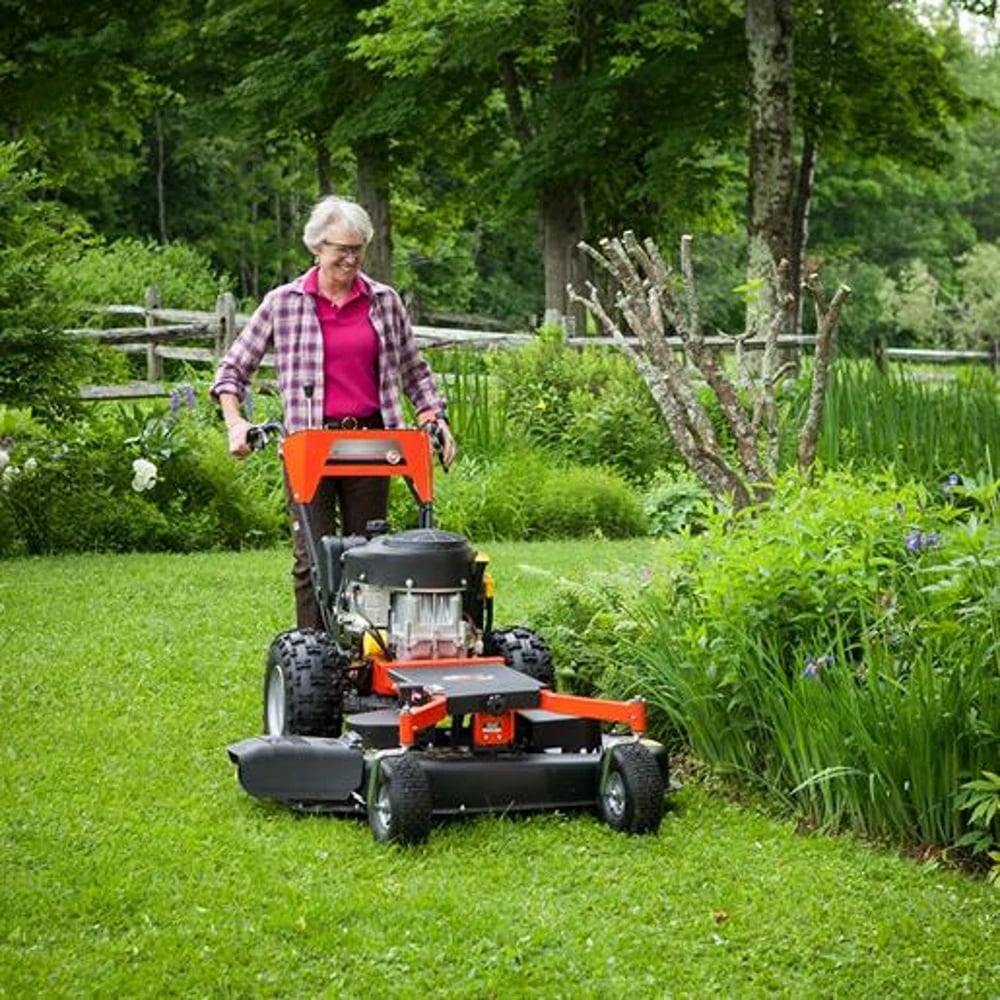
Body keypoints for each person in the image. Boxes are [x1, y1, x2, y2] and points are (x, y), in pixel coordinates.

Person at [210, 194, 456, 630]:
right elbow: (232, 370)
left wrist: (434, 419)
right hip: (310, 445)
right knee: (313, 560)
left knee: (371, 556)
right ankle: (315, 657)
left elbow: (415, 372)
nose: (351, 258)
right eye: (342, 248)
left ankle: (365, 656)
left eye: (358, 248)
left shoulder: (384, 301)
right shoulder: (283, 302)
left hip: (373, 444)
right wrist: (235, 424)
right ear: (317, 247)